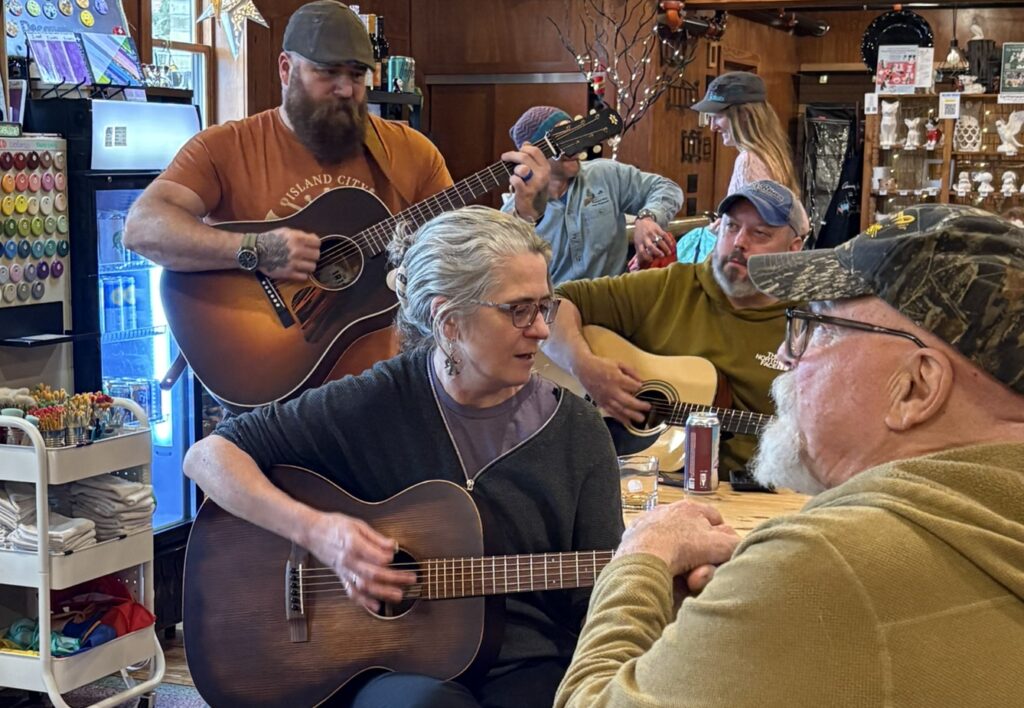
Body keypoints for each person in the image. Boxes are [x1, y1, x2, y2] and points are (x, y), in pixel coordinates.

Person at [555, 204, 1024, 707]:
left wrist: (640, 563)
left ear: (916, 386)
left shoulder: (822, 564)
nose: (785, 355)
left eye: (817, 325)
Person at [183, 206, 624, 708]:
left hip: (530, 665)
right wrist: (317, 532)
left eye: (545, 306)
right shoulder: (380, 399)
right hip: (399, 667)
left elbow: (602, 598)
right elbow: (209, 456)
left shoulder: (577, 431)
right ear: (448, 320)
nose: (541, 330)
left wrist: (657, 580)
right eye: (517, 310)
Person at [123, 1, 548, 283]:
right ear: (286, 70)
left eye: (357, 75)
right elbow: (142, 228)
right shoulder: (226, 147)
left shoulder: (412, 152)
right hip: (267, 377)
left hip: (386, 378)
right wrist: (255, 249)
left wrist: (522, 215)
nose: (346, 89)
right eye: (328, 73)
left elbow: (461, 263)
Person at [545, 179, 809, 475]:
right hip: (645, 486)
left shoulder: (813, 323)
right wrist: (585, 367)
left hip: (761, 494)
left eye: (760, 233)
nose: (739, 242)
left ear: (793, 249)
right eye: (731, 226)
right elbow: (553, 304)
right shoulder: (669, 286)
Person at [503, 106, 684, 283]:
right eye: (563, 142)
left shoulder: (605, 174)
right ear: (534, 155)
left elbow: (667, 188)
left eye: (576, 137)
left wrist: (647, 218)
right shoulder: (514, 214)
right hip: (557, 308)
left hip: (614, 302)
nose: (577, 149)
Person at [677, 72, 801, 264]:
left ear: (743, 115)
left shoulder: (748, 160)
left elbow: (753, 227)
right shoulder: (774, 155)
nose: (712, 127)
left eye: (717, 117)